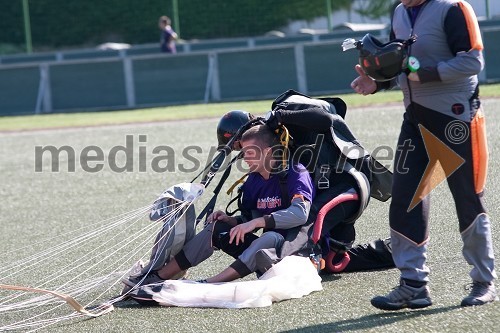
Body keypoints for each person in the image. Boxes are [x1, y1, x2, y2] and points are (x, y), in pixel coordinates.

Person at [350, 0, 497, 310]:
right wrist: (375, 81)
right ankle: (413, 284)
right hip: (415, 121)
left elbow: (472, 62)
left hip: (457, 121)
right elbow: (401, 64)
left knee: (467, 198)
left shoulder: (454, 8)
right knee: (405, 199)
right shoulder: (400, 11)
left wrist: (423, 75)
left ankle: (484, 281)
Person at [122, 123, 315, 287]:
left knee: (269, 237)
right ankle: (158, 277)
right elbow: (251, 218)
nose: (244, 158)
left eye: (249, 152)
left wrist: (256, 224)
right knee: (217, 227)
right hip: (264, 255)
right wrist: (231, 220)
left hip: (295, 250)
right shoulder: (253, 181)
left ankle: (207, 284)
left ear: (267, 151)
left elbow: (300, 213)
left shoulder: (296, 173)